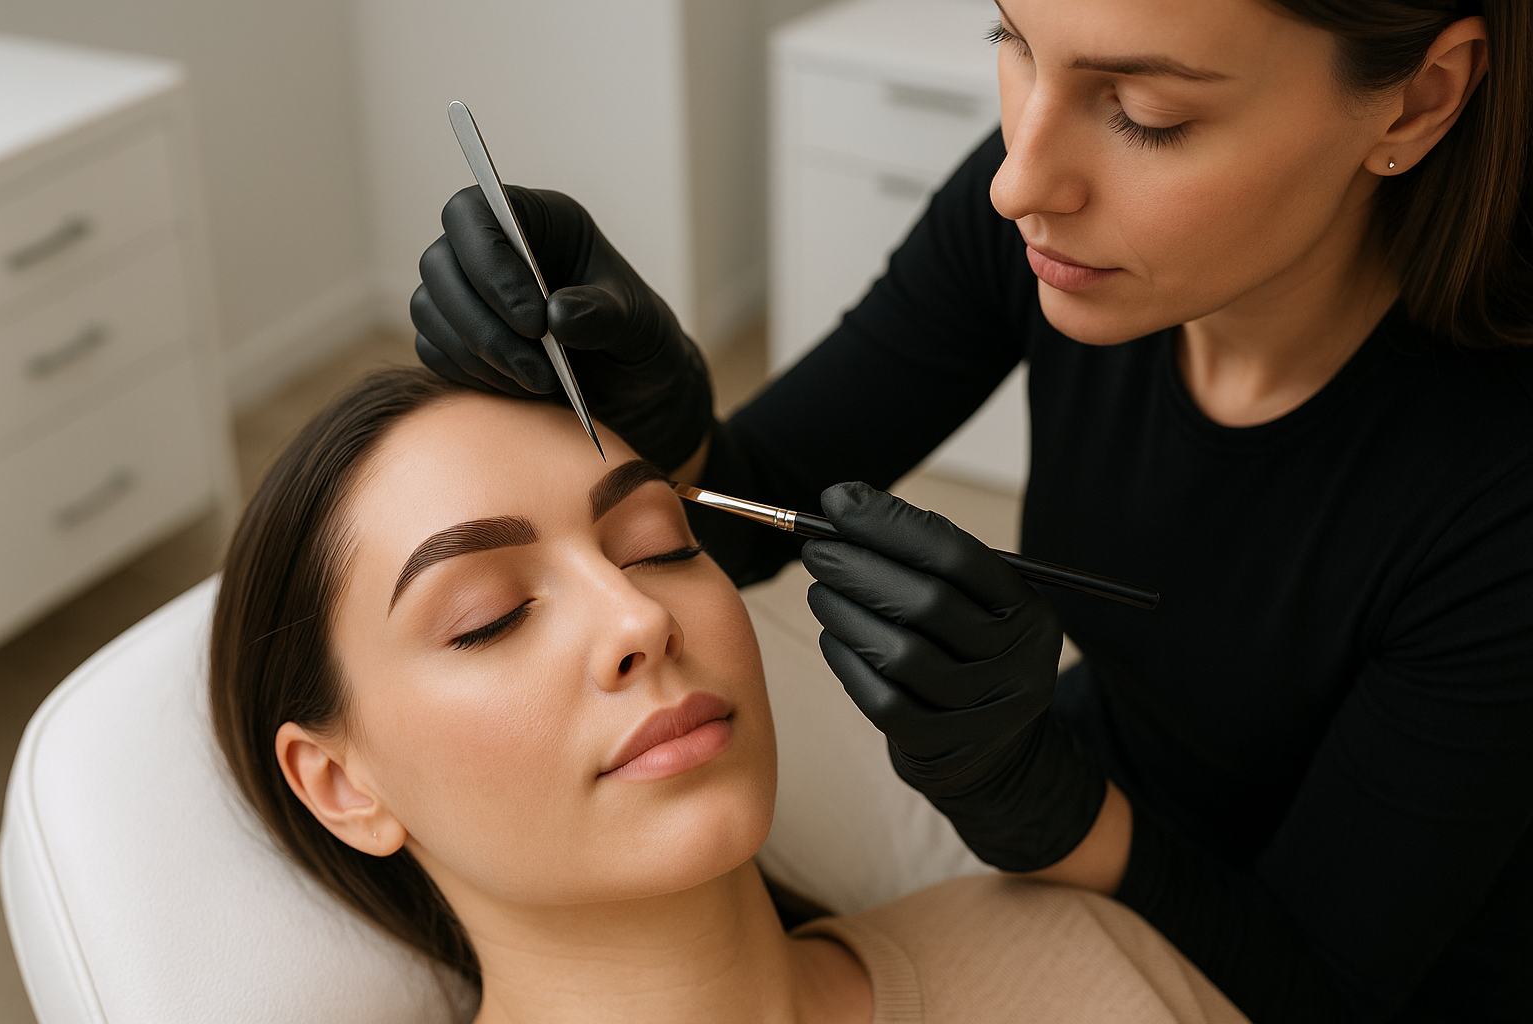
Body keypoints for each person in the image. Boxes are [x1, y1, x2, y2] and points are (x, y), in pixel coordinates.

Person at [406, 0, 1533, 1020]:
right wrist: (657, 409)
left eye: (1145, 113)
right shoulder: (1051, 222)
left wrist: (1040, 803)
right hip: (1117, 815)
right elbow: (748, 507)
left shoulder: (1495, 491)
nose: (1016, 180)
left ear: (1421, 97)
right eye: (1014, 44)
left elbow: (1324, 985)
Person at [209, 367, 1249, 1024]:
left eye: (659, 546)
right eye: (487, 616)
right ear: (342, 784)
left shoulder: (1071, 945)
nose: (637, 619)